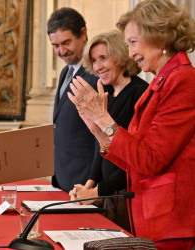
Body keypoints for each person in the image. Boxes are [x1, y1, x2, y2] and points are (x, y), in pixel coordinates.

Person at [67, 0, 195, 249]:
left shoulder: (182, 80)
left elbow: (151, 160)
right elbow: (133, 159)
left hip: (169, 220)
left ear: (159, 35)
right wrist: (96, 128)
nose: (130, 52)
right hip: (148, 214)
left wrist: (104, 119)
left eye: (133, 42)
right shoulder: (163, 80)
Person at [68, 30, 148, 231]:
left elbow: (133, 156)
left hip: (128, 195)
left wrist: (97, 191)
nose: (97, 67)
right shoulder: (109, 95)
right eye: (94, 61)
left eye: (103, 58)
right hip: (110, 195)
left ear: (120, 56)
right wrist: (89, 184)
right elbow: (102, 147)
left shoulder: (139, 93)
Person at [47, 7, 99, 192]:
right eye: (55, 46)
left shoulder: (97, 73)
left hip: (84, 181)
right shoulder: (65, 72)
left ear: (83, 34)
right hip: (63, 178)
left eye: (66, 42)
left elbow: (99, 135)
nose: (61, 51)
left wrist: (92, 182)